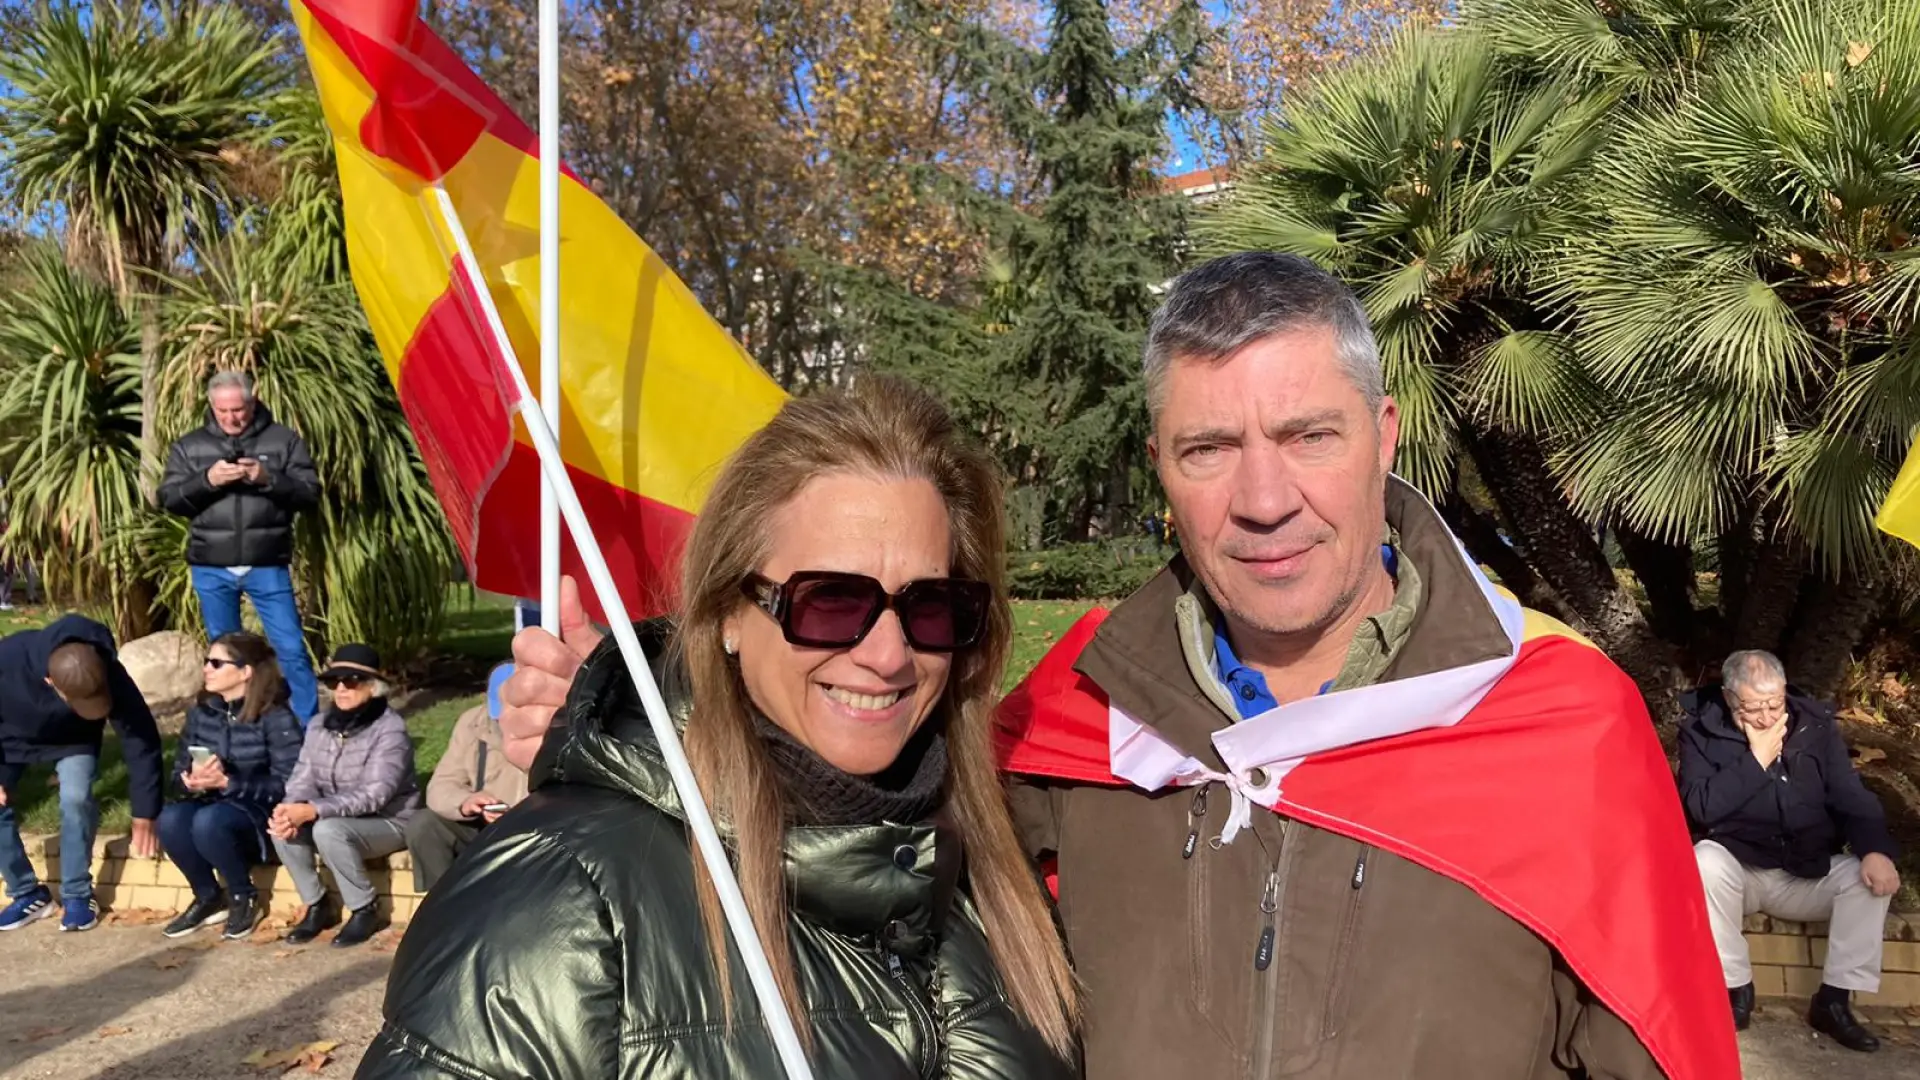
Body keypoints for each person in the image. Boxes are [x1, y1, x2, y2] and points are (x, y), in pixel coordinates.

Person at [501, 255, 1736, 1080]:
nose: (1264, 497)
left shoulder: (1563, 724)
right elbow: (844, 807)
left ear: (1384, 437)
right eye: (1209, 448)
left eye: (1307, 435)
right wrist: (638, 712)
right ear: (1160, 467)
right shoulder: (1077, 713)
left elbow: (1656, 1047)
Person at [356, 380, 1077, 1078]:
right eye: (830, 602)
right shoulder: (559, 893)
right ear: (729, 613)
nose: (888, 656)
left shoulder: (988, 869)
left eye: (932, 606)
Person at [1680, 649, 1900, 1053]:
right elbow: (1700, 806)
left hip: (1804, 872)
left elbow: (1850, 796)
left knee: (1866, 880)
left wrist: (1875, 850)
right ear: (1729, 697)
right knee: (1704, 860)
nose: (1766, 718)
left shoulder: (1815, 727)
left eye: (1774, 704)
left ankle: (1833, 1001)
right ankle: (1735, 988)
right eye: (1753, 708)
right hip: (1740, 873)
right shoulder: (1700, 731)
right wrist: (1756, 760)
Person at [159, 370, 322, 723]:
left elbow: (309, 494)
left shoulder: (283, 440)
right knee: (225, 655)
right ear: (211, 405)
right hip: (211, 565)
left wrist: (268, 479)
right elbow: (169, 499)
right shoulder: (190, 446)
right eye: (223, 411)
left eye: (238, 410)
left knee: (291, 648)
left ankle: (307, 726)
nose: (231, 418)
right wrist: (207, 480)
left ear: (252, 402)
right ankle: (235, 723)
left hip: (267, 563)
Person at [0, 615, 163, 932]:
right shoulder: (8, 659)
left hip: (74, 741)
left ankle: (77, 894)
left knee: (75, 799)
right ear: (50, 681)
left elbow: (140, 737)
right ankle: (27, 894)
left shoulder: (106, 668)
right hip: (10, 739)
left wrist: (145, 810)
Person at [157, 632, 306, 940]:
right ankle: (208, 896)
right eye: (206, 661)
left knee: (208, 821)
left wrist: (229, 782)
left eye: (216, 663)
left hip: (259, 814)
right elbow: (177, 774)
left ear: (245, 671)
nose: (206, 669)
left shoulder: (275, 716)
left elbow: (289, 783)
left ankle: (243, 895)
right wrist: (189, 781)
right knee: (170, 819)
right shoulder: (202, 713)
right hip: (212, 803)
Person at [270, 644, 420, 948]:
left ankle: (364, 908)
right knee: (281, 826)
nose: (340, 688)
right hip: (335, 815)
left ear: (373, 687)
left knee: (328, 830)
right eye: (333, 681)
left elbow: (375, 795)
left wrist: (314, 810)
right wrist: (290, 808)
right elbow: (303, 777)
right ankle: (316, 904)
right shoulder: (319, 725)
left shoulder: (390, 729)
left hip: (390, 820)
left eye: (350, 681)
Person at [404, 662, 527, 892]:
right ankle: (440, 903)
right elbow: (441, 785)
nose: (504, 719)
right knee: (424, 825)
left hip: (531, 830)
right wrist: (465, 802)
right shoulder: (472, 722)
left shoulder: (558, 727)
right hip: (481, 825)